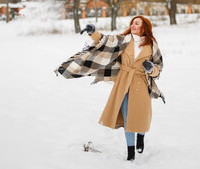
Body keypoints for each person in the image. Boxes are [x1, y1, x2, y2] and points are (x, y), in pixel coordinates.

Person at [56, 15, 164, 161]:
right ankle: (130, 153)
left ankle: (141, 137)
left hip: (142, 83)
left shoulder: (152, 45)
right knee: (128, 119)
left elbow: (158, 67)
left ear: (144, 27)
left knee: (142, 116)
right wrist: (93, 32)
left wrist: (151, 69)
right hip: (124, 83)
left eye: (137, 23)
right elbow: (106, 41)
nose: (133, 25)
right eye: (132, 23)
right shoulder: (124, 40)